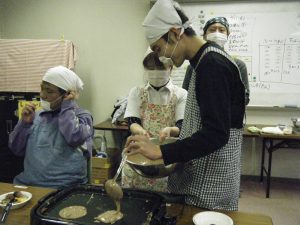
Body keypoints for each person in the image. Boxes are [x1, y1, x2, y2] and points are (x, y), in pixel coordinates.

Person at [124, 0, 245, 211]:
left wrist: (161, 151)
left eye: (159, 49)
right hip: (201, 169)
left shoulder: (212, 65)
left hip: (210, 179)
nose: (162, 57)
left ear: (173, 34)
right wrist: (180, 130)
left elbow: (216, 133)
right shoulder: (201, 61)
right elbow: (206, 115)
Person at [8, 66, 94, 188]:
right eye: (42, 89)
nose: (42, 95)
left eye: (49, 91)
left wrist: (67, 107)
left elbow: (74, 137)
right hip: (29, 185)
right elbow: (16, 149)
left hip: (65, 188)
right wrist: (24, 124)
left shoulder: (83, 117)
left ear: (67, 94)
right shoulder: (35, 116)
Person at [121, 51, 187, 192]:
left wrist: (170, 130)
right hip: (140, 152)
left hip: (166, 156)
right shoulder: (137, 92)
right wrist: (140, 131)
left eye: (160, 68)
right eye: (151, 68)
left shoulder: (181, 94)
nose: (155, 72)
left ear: (171, 68)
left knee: (164, 204)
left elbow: (182, 125)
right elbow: (132, 121)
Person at [182, 16, 250, 105]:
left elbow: (245, 99)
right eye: (212, 30)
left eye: (221, 30)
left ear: (227, 35)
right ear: (205, 35)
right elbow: (185, 96)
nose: (217, 33)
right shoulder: (193, 66)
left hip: (229, 117)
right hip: (199, 118)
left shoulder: (238, 65)